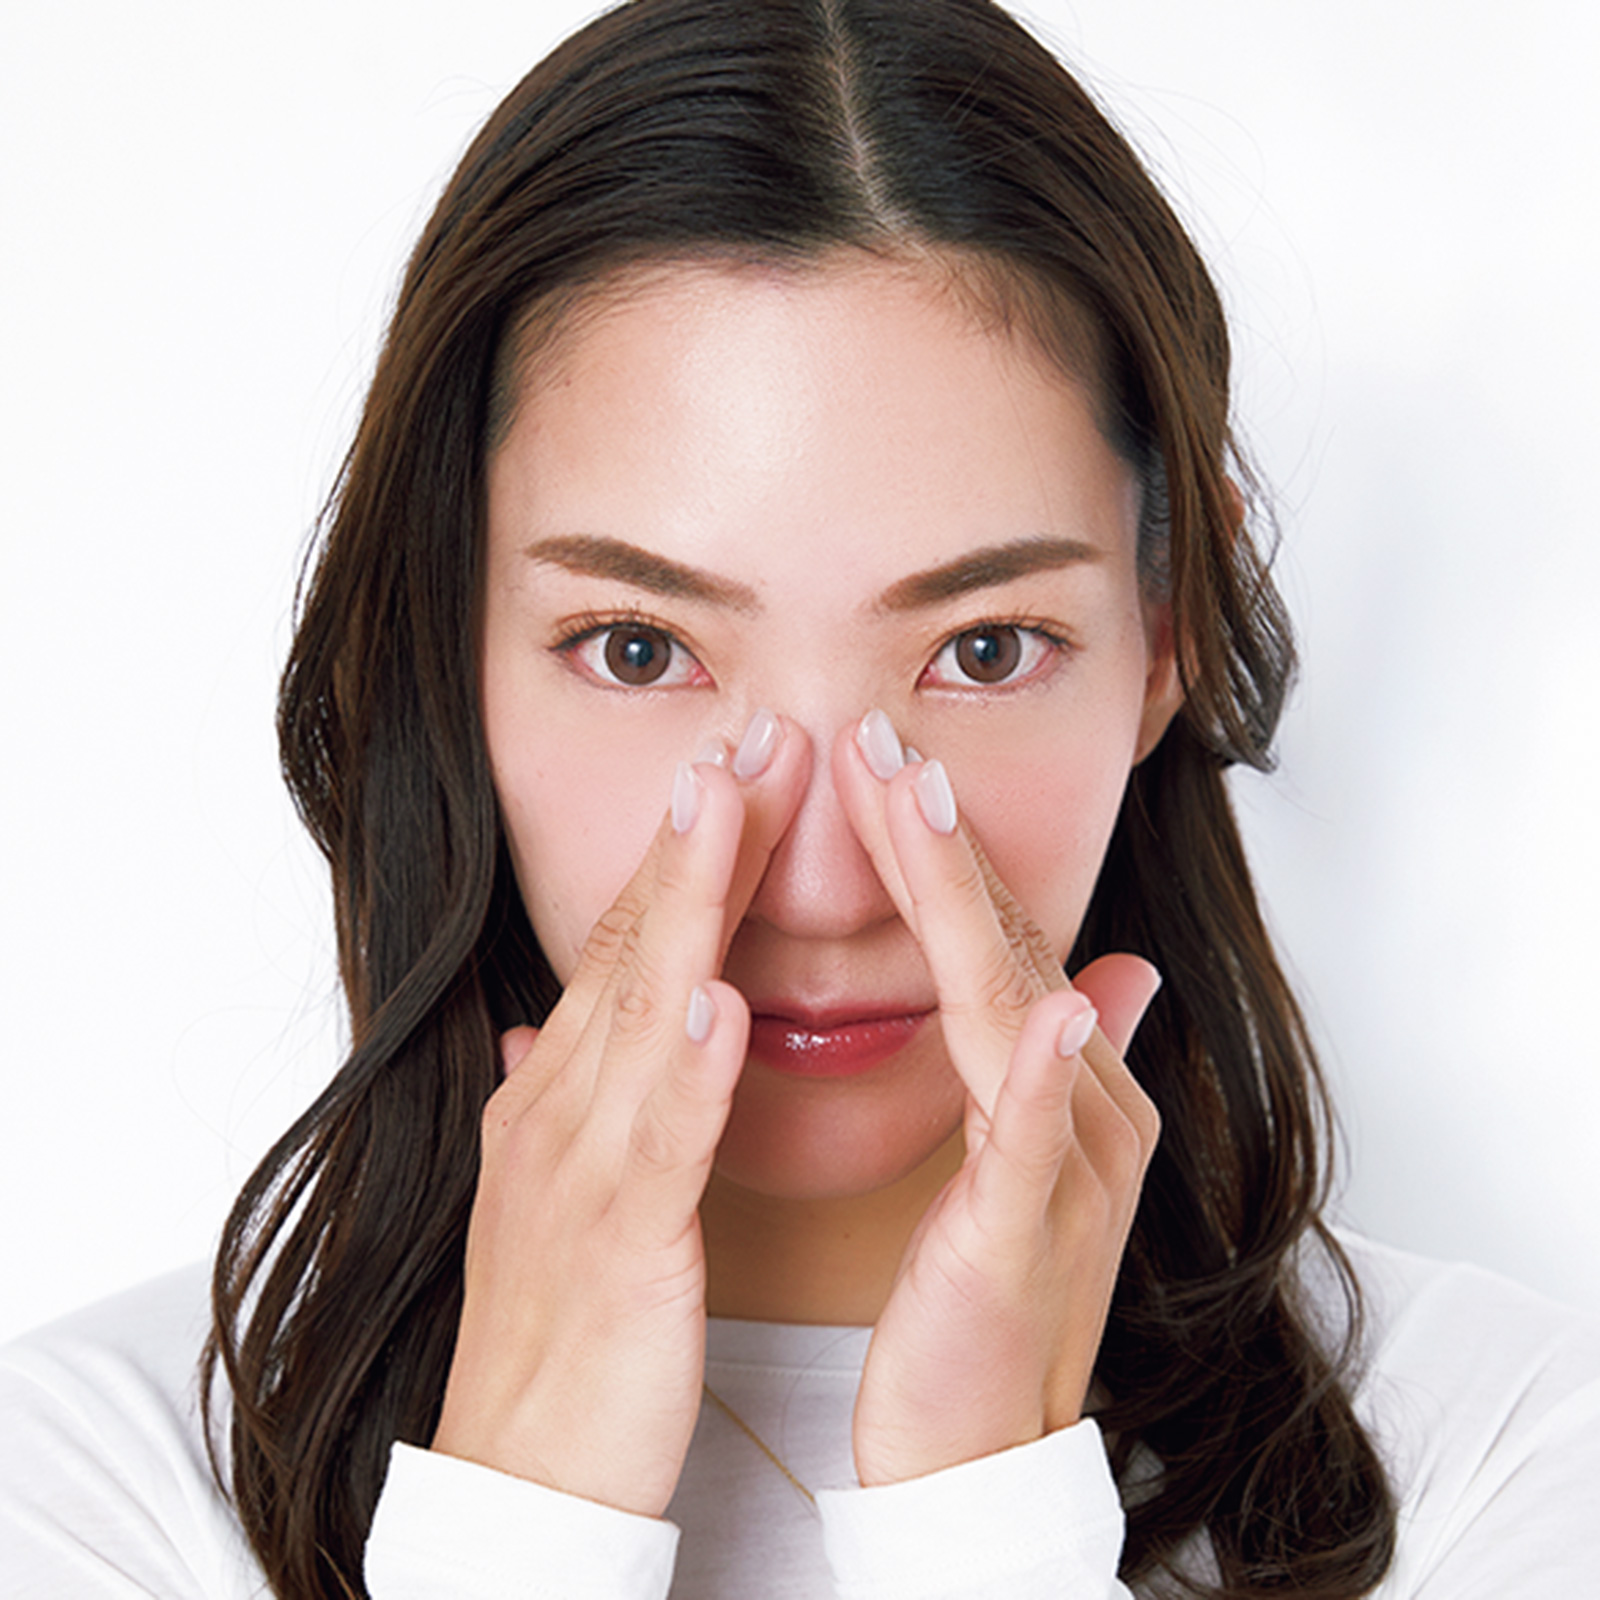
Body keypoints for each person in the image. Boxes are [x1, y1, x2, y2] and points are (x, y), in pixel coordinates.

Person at [3, 1, 1596, 1596]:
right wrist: (514, 1521)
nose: (824, 887)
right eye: (640, 649)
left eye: (984, 650)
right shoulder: (87, 1491)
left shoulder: (1509, 1456)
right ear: (447, 648)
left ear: (1168, 630)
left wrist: (990, 1514)